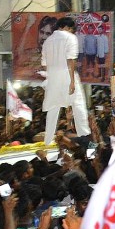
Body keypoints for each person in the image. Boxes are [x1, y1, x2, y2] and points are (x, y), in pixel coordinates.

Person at [42, 16, 90, 144]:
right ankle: (84, 135)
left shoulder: (48, 41)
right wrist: (72, 81)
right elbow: (71, 60)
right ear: (67, 27)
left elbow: (44, 64)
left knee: (53, 109)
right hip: (67, 75)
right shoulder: (70, 38)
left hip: (52, 77)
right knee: (78, 105)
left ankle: (48, 140)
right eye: (71, 29)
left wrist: (52, 76)